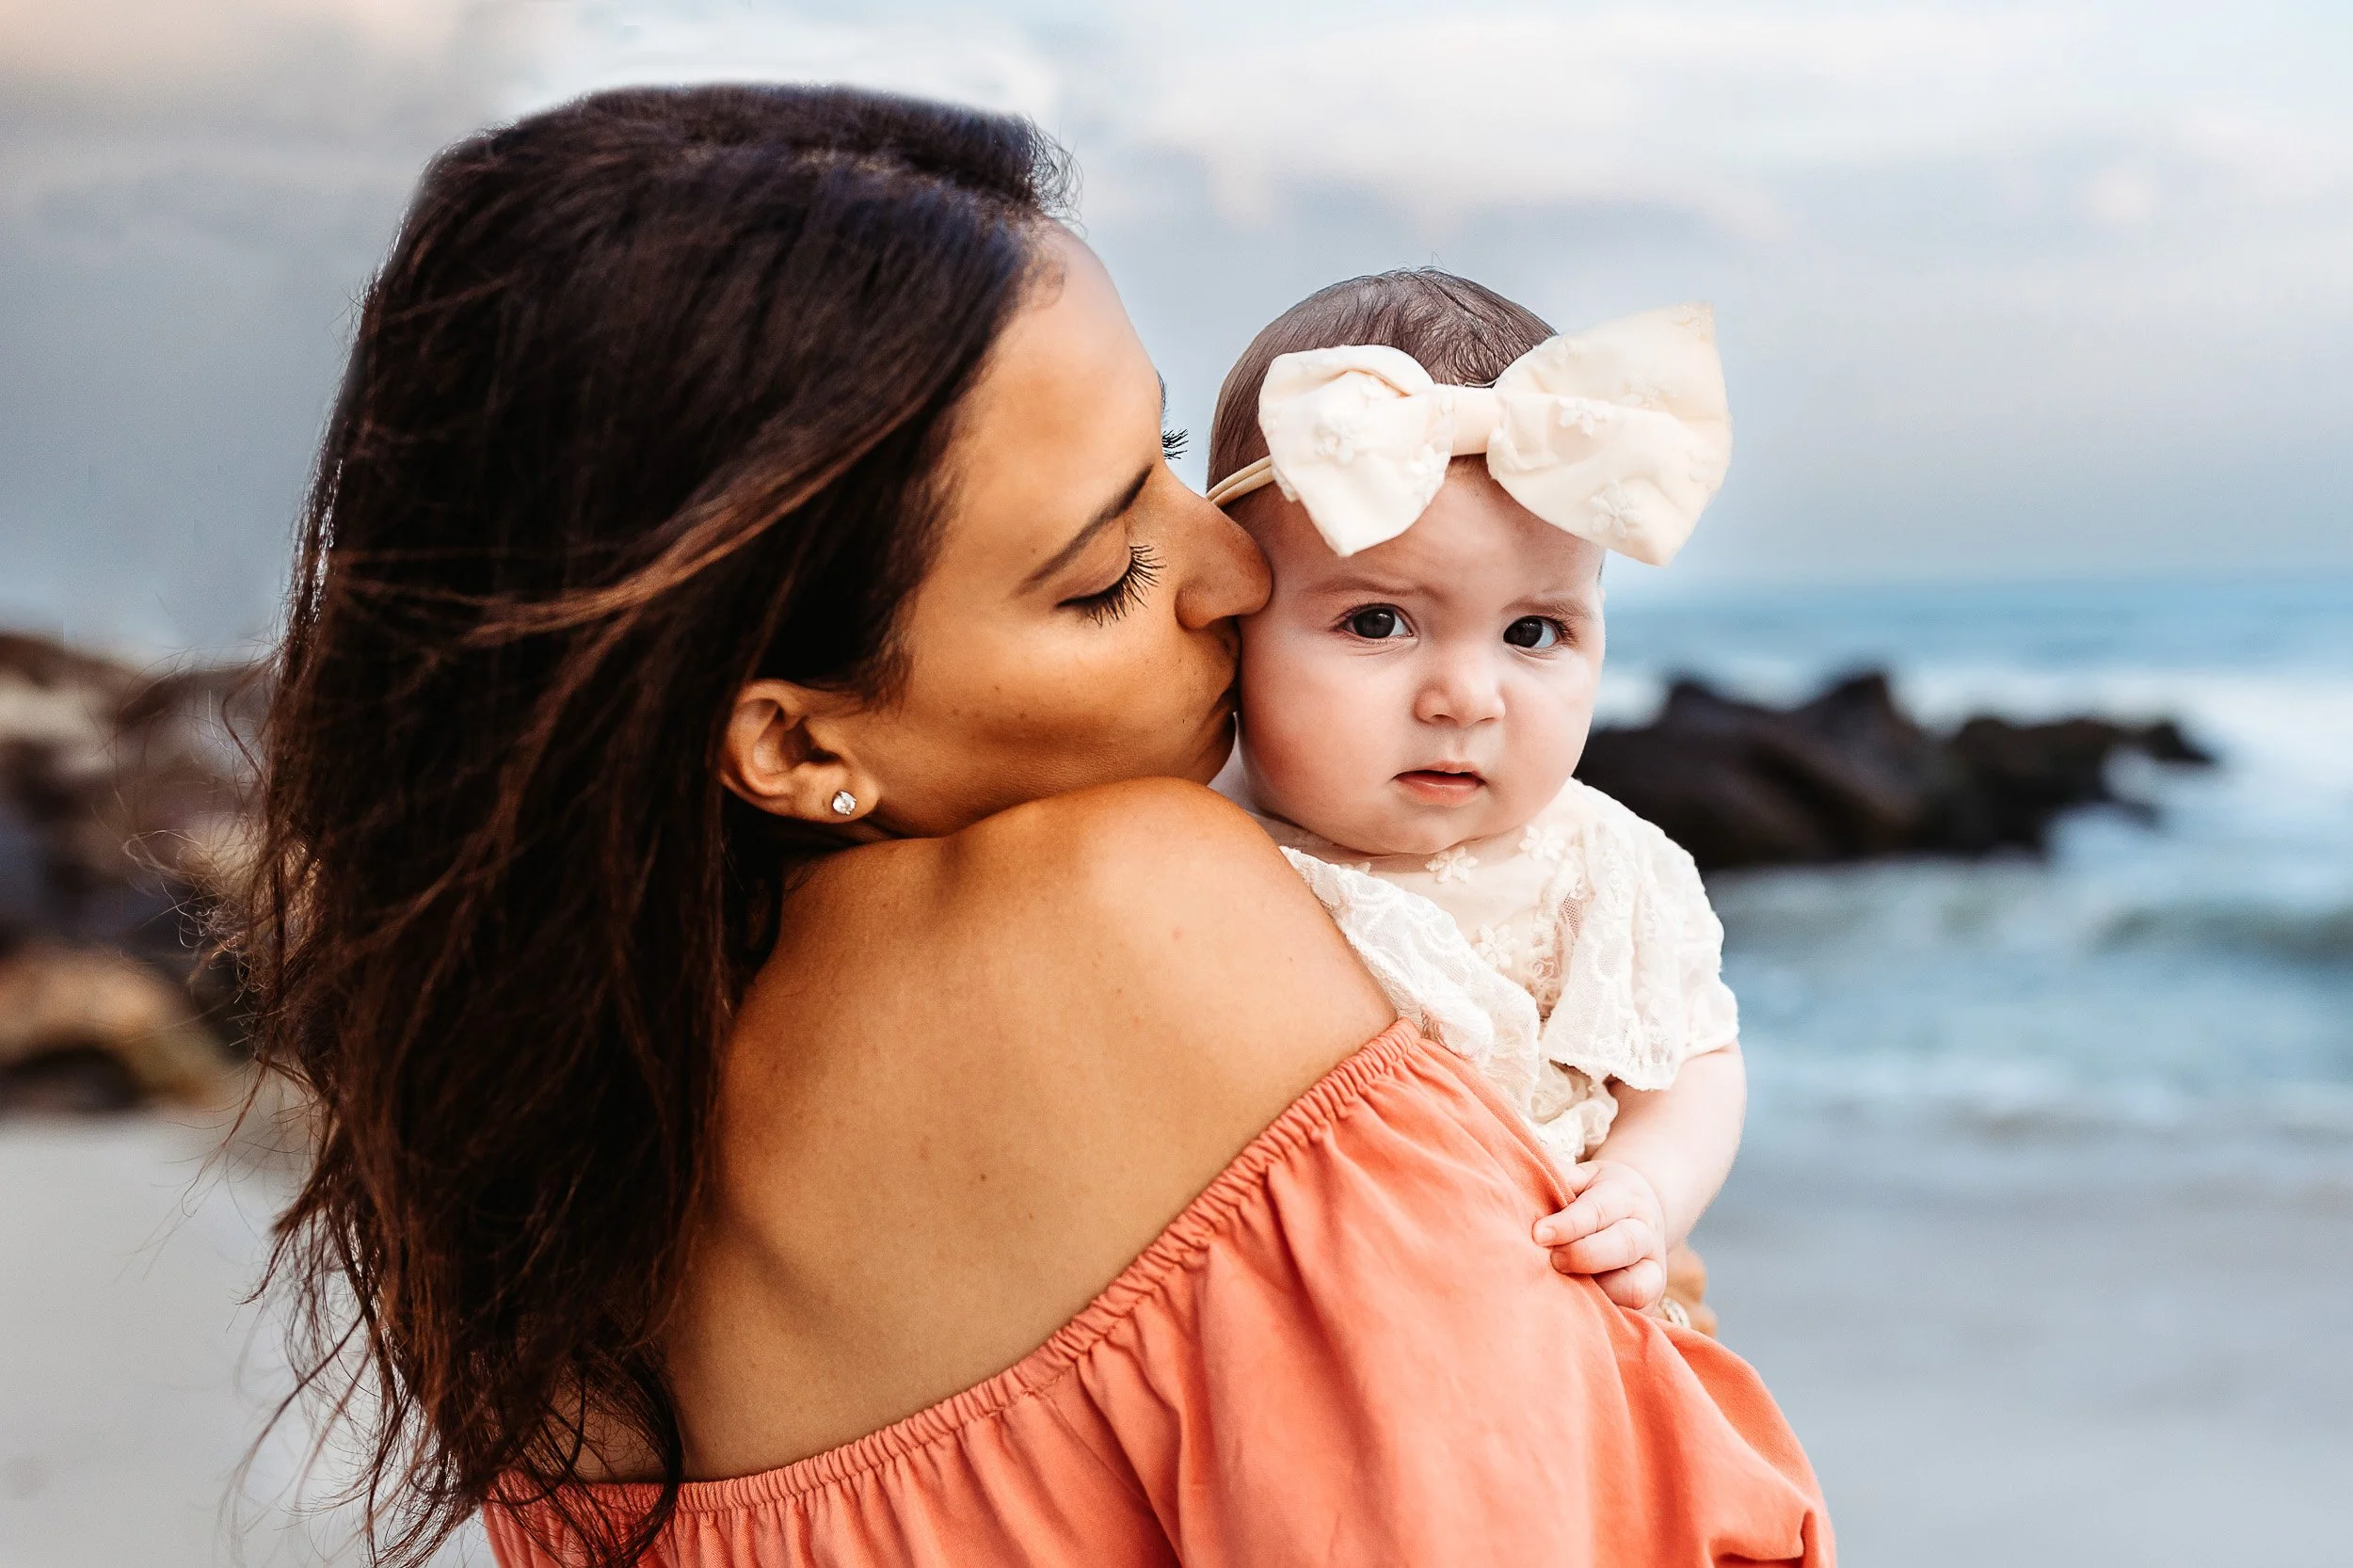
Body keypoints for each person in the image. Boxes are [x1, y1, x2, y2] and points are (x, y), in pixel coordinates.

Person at [241, 83, 1832, 1567]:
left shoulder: (506, 1179)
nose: (1229, 569)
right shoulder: (1140, 905)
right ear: (795, 739)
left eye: (1160, 458)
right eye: (1103, 576)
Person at [1204, 273, 1744, 1329]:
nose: (1465, 696)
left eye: (1533, 632)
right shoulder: (1190, 842)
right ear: (1228, 622)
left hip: (1549, 1325)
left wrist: (1643, 1190)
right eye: (1376, 622)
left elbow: (1692, 1068)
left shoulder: (1603, 863)